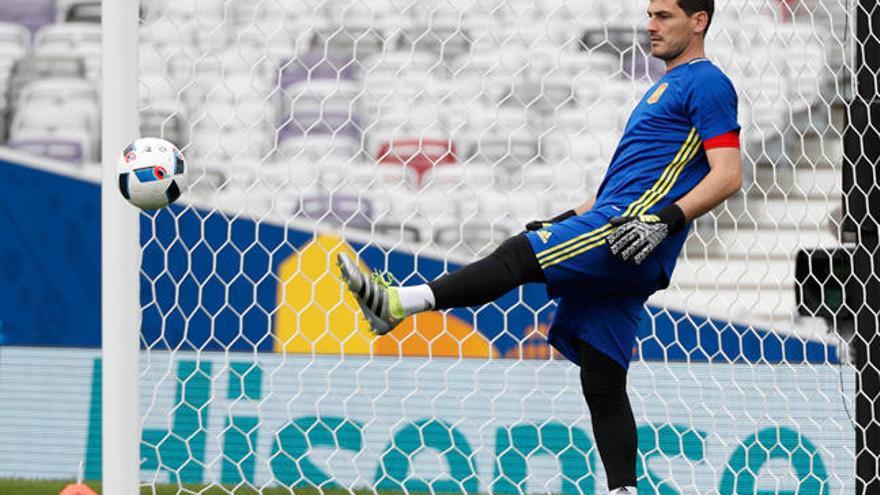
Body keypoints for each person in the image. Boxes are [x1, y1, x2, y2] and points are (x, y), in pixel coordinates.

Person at [338, 0, 741, 493]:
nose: (649, 25)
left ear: (698, 21)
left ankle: (398, 304)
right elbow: (622, 183)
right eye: (650, 14)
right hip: (625, 231)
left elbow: (728, 175)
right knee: (603, 377)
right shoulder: (663, 86)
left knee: (518, 255)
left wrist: (665, 219)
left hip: (629, 232)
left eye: (663, 16)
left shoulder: (707, 82)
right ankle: (624, 489)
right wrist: (566, 219)